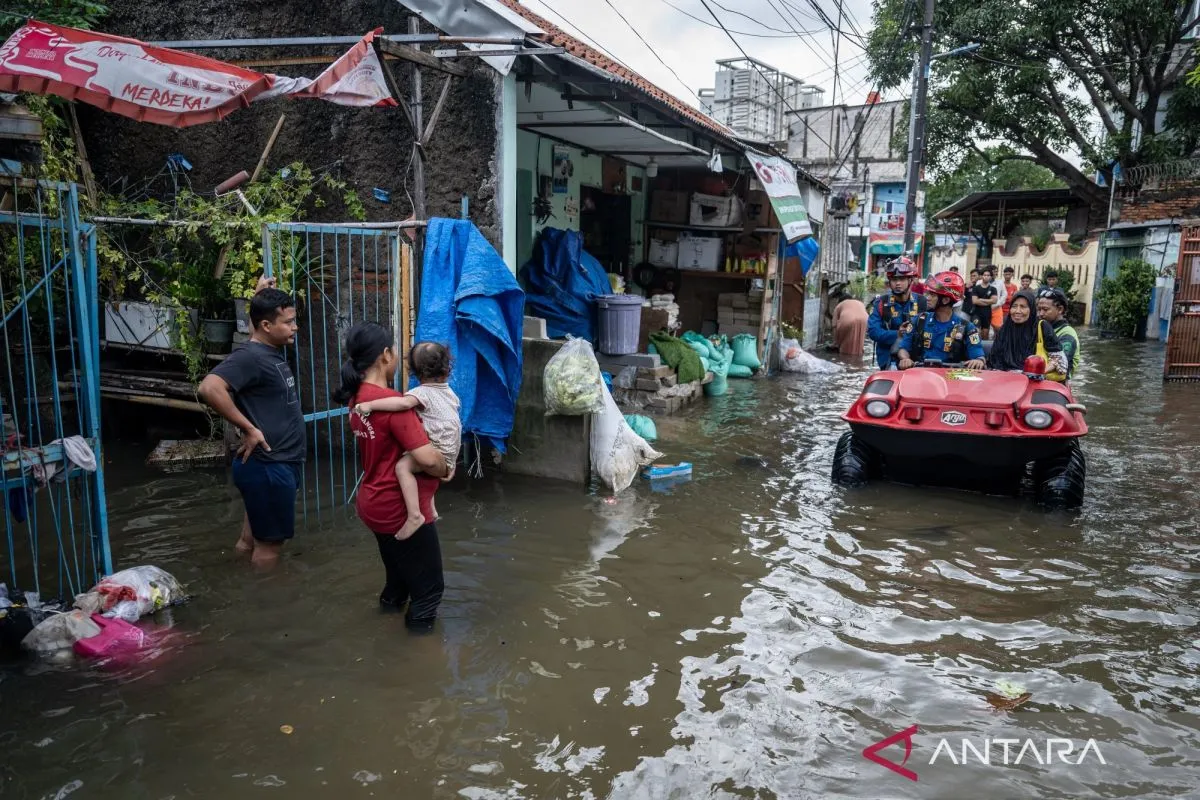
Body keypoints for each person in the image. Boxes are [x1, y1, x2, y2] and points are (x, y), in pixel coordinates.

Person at [336, 322, 451, 632]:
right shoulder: (394, 406)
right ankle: (418, 655)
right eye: (396, 350)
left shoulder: (357, 397)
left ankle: (384, 630)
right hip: (398, 509)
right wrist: (446, 468)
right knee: (429, 591)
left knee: (398, 581)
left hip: (373, 502)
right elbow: (428, 459)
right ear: (385, 355)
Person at [198, 280, 303, 568]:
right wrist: (249, 428)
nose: (294, 327)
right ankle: (267, 595)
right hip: (269, 466)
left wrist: (259, 297)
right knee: (269, 548)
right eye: (288, 322)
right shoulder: (252, 357)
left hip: (270, 465)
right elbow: (209, 388)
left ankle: (239, 582)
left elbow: (255, 332)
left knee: (250, 540)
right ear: (266, 326)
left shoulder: (262, 349)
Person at [354, 342, 461, 539]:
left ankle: (414, 516)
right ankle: (431, 509)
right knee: (419, 451)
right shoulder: (449, 393)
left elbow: (403, 404)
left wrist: (370, 405)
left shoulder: (421, 393)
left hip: (438, 450)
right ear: (447, 369)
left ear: (414, 372)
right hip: (451, 450)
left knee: (403, 466)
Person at [896, 271, 986, 370]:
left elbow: (978, 356)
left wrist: (978, 361)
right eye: (928, 294)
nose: (927, 298)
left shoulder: (967, 327)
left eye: (932, 295)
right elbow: (903, 348)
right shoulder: (919, 320)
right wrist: (905, 359)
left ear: (946, 300)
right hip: (921, 374)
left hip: (951, 377)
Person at [986, 290, 1067, 373]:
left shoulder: (1042, 327)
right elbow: (993, 361)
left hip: (1033, 378)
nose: (1017, 311)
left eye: (1023, 307)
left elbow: (1059, 360)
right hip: (1005, 377)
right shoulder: (1005, 329)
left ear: (1031, 309)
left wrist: (1038, 372)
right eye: (1014, 306)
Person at [866, 256, 925, 369]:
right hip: (888, 360)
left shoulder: (922, 302)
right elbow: (873, 331)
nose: (897, 283)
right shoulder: (881, 302)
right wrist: (897, 334)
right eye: (894, 279)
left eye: (902, 279)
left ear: (910, 280)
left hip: (917, 360)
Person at [1036, 287, 1081, 381]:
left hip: (1057, 384)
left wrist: (1036, 373)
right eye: (1039, 309)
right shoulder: (1040, 328)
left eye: (1045, 309)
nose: (1040, 314)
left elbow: (1060, 361)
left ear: (1060, 309)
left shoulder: (1067, 334)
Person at [832, 292, 869, 357]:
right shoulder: (860, 303)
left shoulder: (839, 305)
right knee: (859, 342)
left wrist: (835, 343)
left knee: (844, 345)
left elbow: (834, 325)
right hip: (865, 320)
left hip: (848, 319)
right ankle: (859, 357)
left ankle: (845, 359)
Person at [967, 267, 999, 340]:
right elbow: (975, 301)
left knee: (985, 333)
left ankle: (984, 347)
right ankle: (973, 346)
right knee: (975, 332)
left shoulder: (993, 289)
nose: (986, 277)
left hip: (987, 313)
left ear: (991, 277)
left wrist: (981, 299)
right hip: (976, 313)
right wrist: (988, 302)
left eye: (988, 275)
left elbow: (994, 301)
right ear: (981, 276)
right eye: (985, 275)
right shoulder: (976, 288)